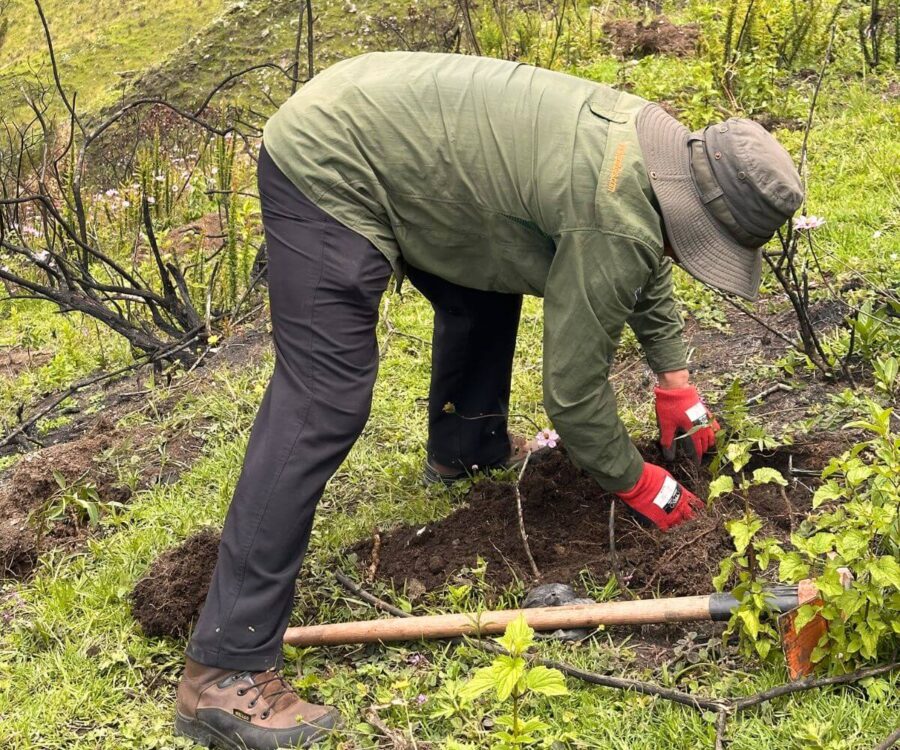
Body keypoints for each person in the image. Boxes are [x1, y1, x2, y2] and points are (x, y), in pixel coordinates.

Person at [174, 51, 803, 749]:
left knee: (485, 280)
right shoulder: (616, 206)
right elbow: (573, 393)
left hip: (404, 135)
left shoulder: (653, 151)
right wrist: (643, 485)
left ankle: (464, 452)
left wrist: (674, 378)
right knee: (322, 399)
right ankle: (225, 667)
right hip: (334, 159)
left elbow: (646, 248)